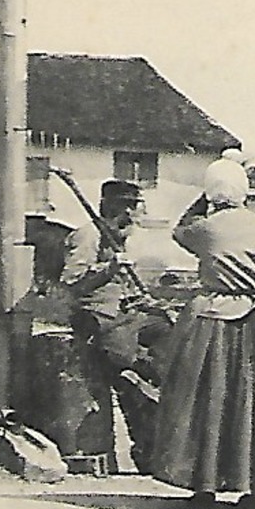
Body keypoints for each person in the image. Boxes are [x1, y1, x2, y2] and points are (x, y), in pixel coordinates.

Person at [148, 158, 255, 509]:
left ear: (211, 193)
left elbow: (179, 230)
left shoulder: (207, 229)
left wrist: (202, 201)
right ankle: (253, 491)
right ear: (245, 192)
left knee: (206, 400)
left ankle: (203, 487)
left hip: (213, 319)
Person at [61, 179, 171, 472]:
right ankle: (139, 381)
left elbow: (127, 289)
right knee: (126, 370)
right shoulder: (87, 236)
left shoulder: (120, 238)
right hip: (99, 320)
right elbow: (72, 285)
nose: (134, 216)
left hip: (127, 318)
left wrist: (148, 303)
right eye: (129, 208)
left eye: (136, 207)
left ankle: (154, 432)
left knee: (170, 336)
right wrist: (109, 269)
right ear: (113, 208)